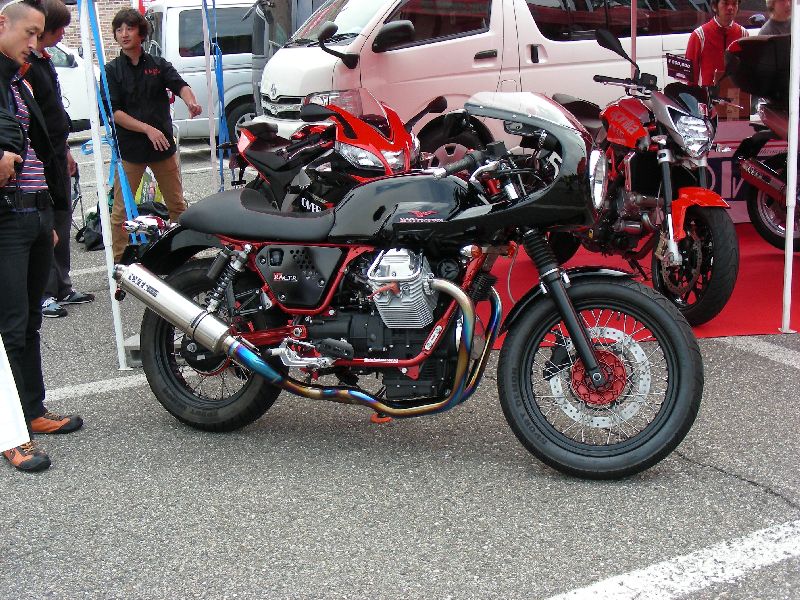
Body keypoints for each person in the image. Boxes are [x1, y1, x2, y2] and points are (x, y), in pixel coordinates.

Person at [0, 0, 83, 473]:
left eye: (38, 34)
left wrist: (49, 216)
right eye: (29, 33)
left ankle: (32, 410)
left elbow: (41, 146)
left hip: (32, 211)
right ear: (2, 24)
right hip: (6, 215)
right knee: (10, 327)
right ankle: (11, 433)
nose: (35, 43)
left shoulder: (18, 80)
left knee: (29, 320)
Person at [105, 7, 201, 263]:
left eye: (129, 28)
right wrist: (147, 129)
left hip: (162, 147)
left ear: (141, 33)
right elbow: (115, 113)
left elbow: (180, 85)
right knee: (120, 210)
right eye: (119, 29)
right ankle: (119, 261)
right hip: (131, 149)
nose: (124, 34)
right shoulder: (111, 70)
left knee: (177, 206)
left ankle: (182, 257)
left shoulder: (158, 65)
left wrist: (191, 101)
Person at [25, 0, 94, 319]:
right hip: (38, 158)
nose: (64, 34)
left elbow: (54, 110)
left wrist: (66, 150)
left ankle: (63, 285)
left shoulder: (45, 60)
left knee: (63, 219)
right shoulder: (26, 65)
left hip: (57, 152)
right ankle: (43, 292)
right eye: (60, 28)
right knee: (46, 224)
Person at [685, 0, 749, 86]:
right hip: (707, 93)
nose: (730, 8)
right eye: (725, 3)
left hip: (735, 92)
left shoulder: (743, 34)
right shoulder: (699, 35)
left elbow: (747, 71)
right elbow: (690, 76)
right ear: (714, 6)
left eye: (734, 4)